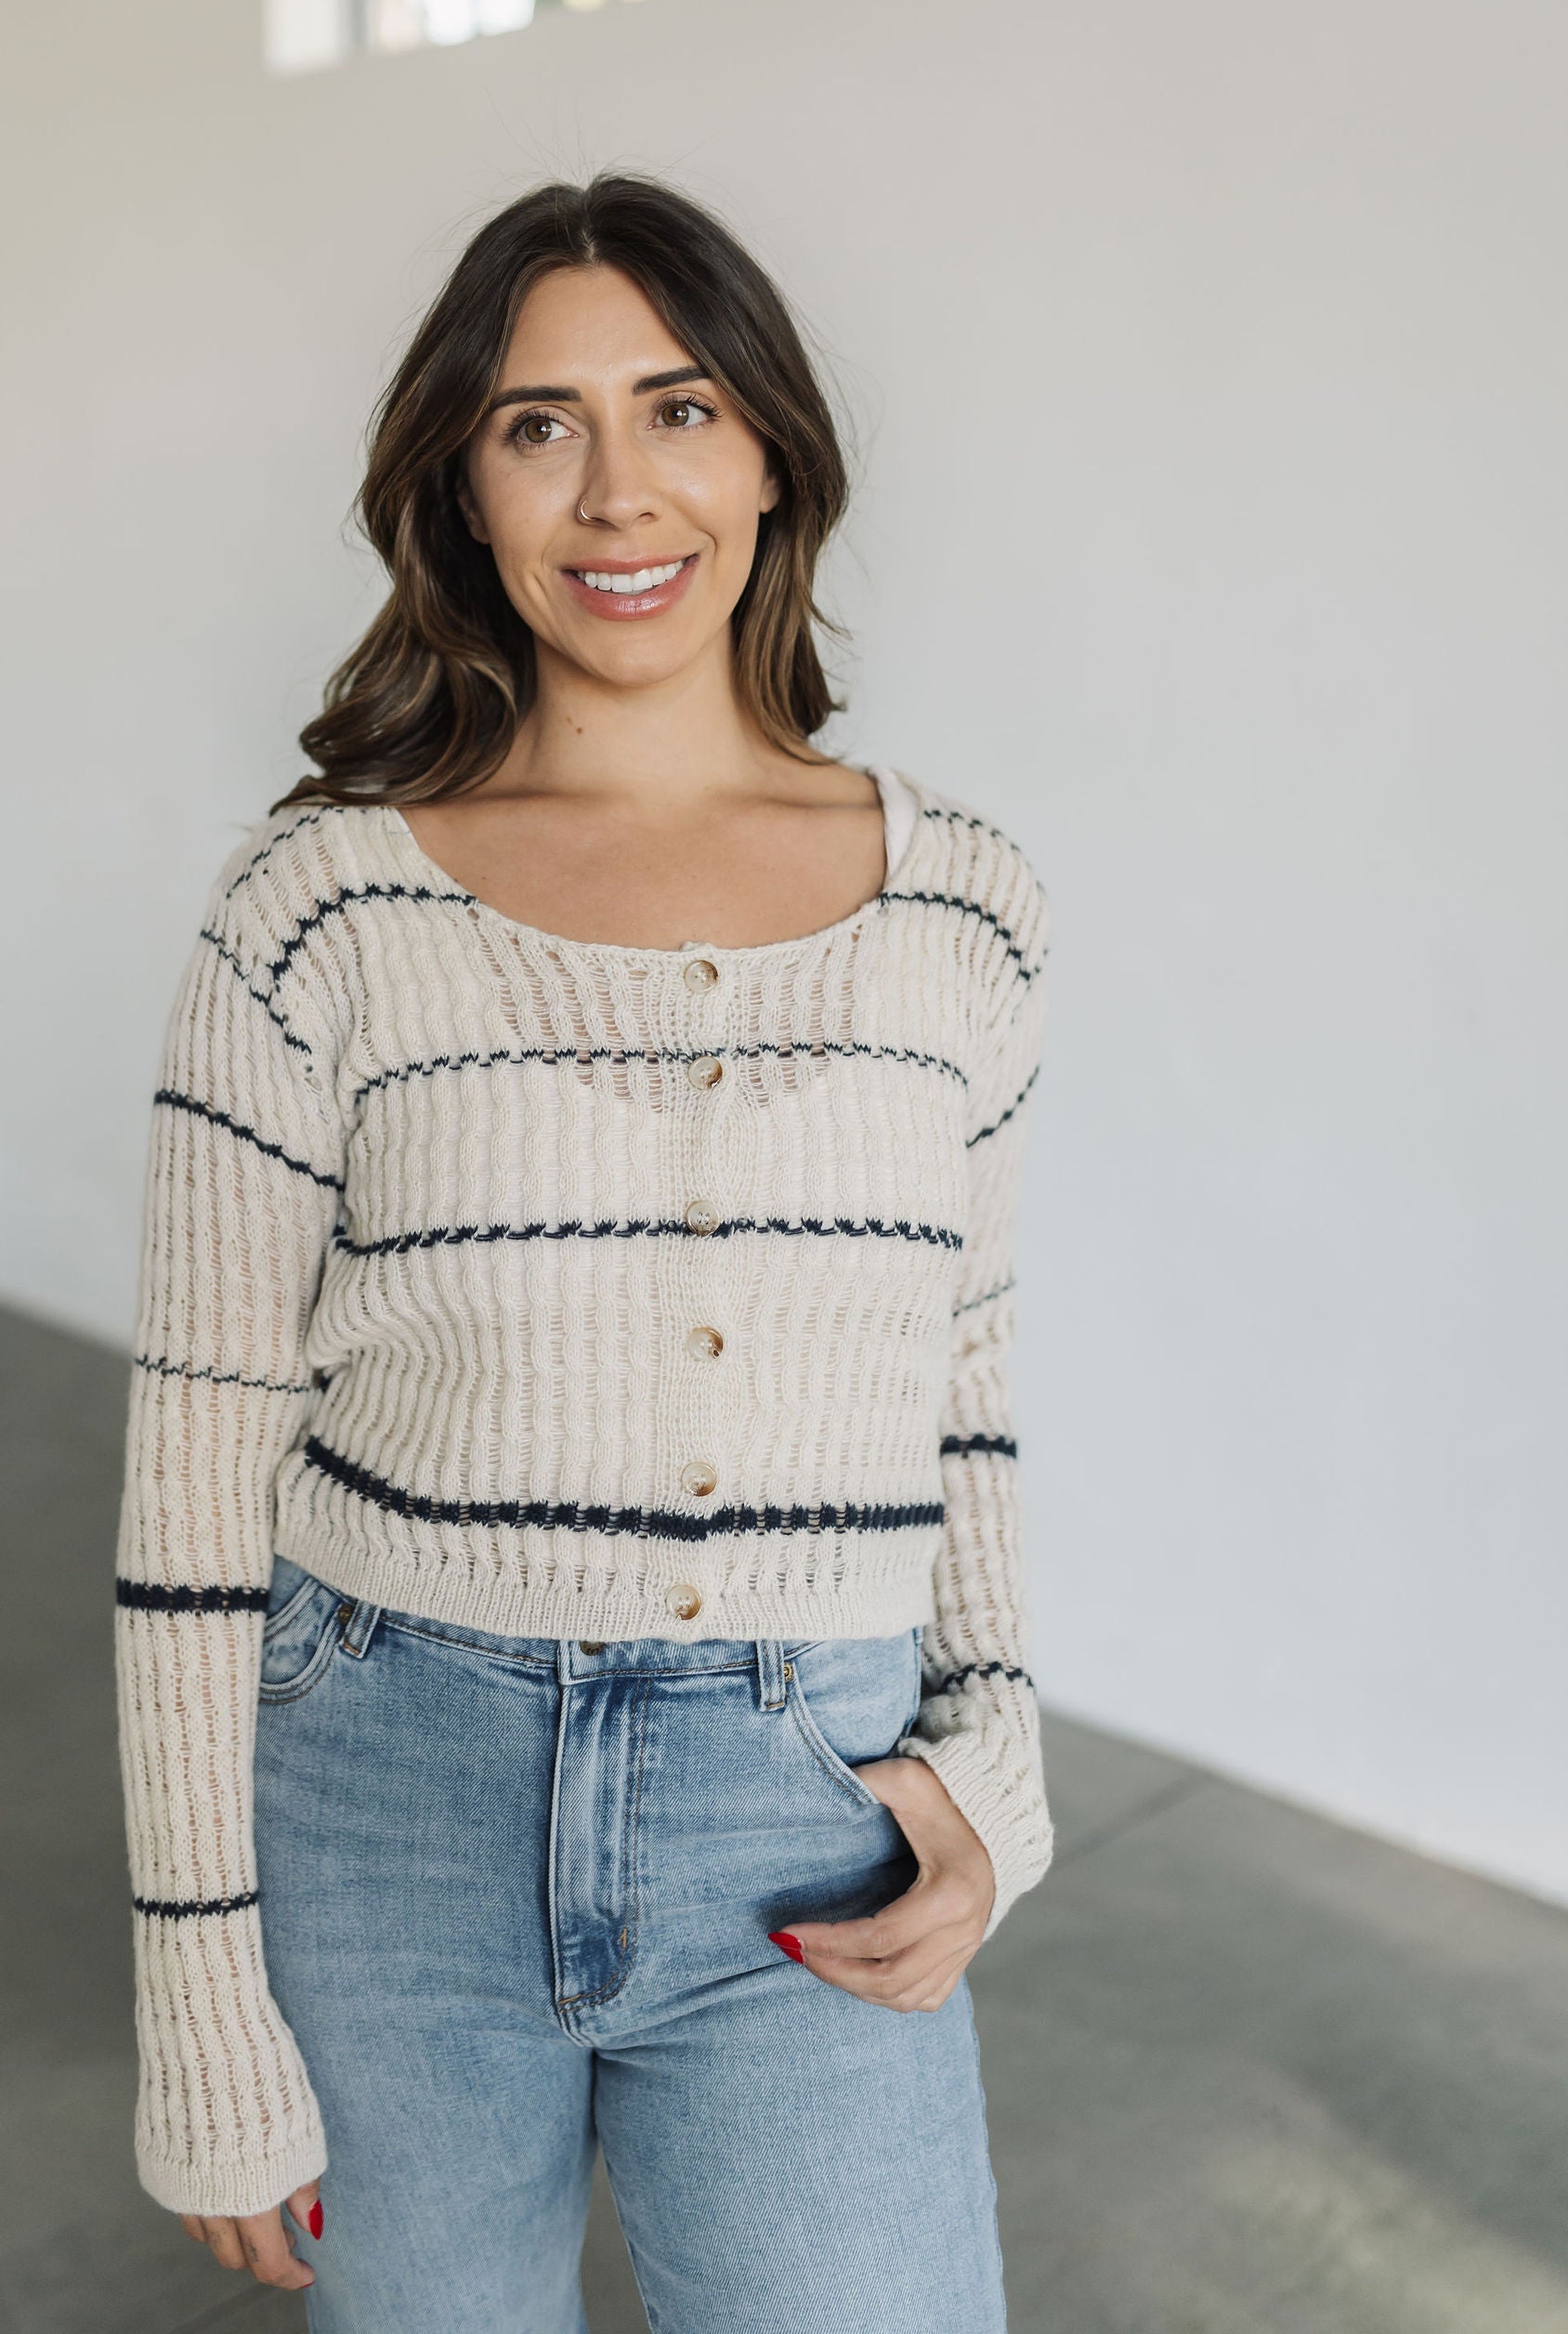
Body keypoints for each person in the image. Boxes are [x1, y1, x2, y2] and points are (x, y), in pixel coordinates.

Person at [113, 174, 1052, 2332]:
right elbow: (189, 1495)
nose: (617, 488)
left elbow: (964, 1383)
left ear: (772, 454)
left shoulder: (964, 908)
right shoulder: (316, 913)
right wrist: (203, 2008)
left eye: (680, 406)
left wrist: (997, 1772)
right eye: (538, 423)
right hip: (389, 1809)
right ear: (461, 480)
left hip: (804, 1812)